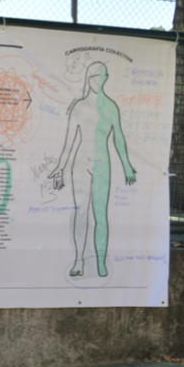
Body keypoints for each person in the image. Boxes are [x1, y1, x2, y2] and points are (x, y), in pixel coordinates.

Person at [48, 61, 137, 278]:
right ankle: (79, 261)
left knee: (101, 216)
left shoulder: (110, 106)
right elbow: (69, 142)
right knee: (81, 214)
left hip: (102, 164)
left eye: (103, 76)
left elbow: (119, 137)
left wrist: (126, 164)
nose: (99, 80)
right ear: (89, 78)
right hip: (80, 164)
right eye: (95, 76)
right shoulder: (78, 107)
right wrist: (60, 167)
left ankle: (101, 262)